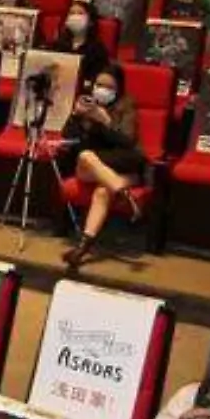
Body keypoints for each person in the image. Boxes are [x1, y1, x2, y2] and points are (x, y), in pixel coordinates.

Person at [60, 64, 146, 270]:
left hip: (119, 164)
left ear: (118, 89)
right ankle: (125, 193)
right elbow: (67, 137)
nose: (102, 90)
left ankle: (82, 248)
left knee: (102, 192)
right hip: (88, 167)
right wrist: (75, 115)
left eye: (108, 87)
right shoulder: (87, 104)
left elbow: (128, 142)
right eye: (99, 85)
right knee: (86, 156)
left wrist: (105, 121)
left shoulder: (126, 106)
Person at [52, 0, 112, 85]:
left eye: (80, 13)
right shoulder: (57, 45)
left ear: (91, 21)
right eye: (72, 13)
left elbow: (98, 79)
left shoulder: (98, 50)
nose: (75, 17)